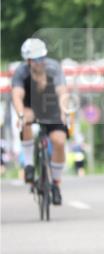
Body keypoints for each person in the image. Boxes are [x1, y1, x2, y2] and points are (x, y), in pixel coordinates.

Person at [10, 38, 69, 205]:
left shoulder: (53, 68)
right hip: (30, 106)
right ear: (28, 61)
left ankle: (56, 183)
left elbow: (62, 92)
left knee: (59, 141)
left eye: (43, 57)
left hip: (51, 107)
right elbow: (17, 96)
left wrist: (64, 111)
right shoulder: (21, 72)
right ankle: (29, 165)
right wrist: (20, 114)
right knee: (26, 118)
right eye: (37, 59)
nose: (41, 62)